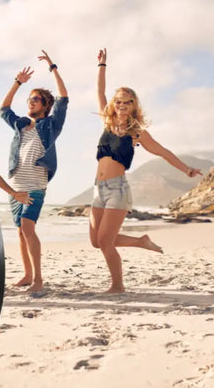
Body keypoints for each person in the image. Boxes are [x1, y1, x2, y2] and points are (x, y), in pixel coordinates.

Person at [90, 48, 202, 293]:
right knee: (96, 242)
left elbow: (162, 151)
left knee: (105, 242)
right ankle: (140, 241)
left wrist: (186, 169)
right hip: (98, 190)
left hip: (118, 190)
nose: (121, 105)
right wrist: (102, 65)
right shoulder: (106, 122)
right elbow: (99, 92)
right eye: (118, 101)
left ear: (133, 106)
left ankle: (117, 286)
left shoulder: (137, 132)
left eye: (126, 102)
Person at [0, 50, 69, 295]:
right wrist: (18, 83)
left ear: (46, 105)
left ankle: (38, 279)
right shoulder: (19, 125)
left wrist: (53, 67)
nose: (31, 101)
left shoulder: (51, 125)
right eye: (30, 98)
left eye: (36, 98)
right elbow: (3, 109)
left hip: (35, 184)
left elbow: (63, 98)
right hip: (15, 185)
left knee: (28, 227)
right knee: (20, 230)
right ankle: (27, 274)